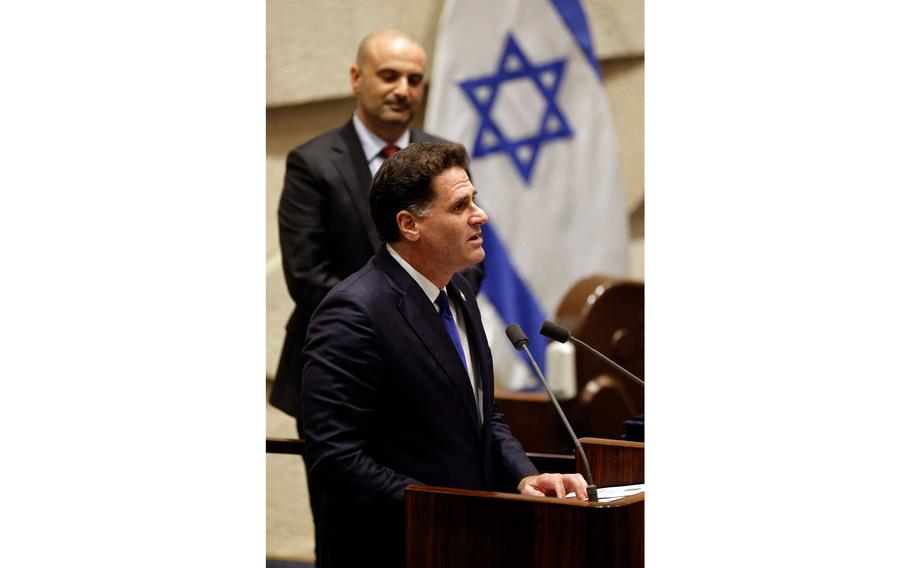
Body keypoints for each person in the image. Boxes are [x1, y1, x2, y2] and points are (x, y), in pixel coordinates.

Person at [301, 142, 588, 567]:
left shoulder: (459, 291)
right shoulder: (354, 311)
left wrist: (525, 475)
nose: (480, 215)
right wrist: (440, 507)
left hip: (463, 541)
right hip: (392, 546)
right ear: (410, 225)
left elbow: (482, 414)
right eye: (459, 206)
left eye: (475, 200)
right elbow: (336, 458)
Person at [268, 29, 484, 544]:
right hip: (340, 369)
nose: (402, 88)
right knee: (352, 532)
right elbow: (307, 275)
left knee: (436, 531)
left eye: (414, 79)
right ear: (357, 78)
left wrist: (429, 321)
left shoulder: (444, 157)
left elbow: (466, 259)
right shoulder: (313, 161)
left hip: (434, 371)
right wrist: (393, 324)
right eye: (389, 75)